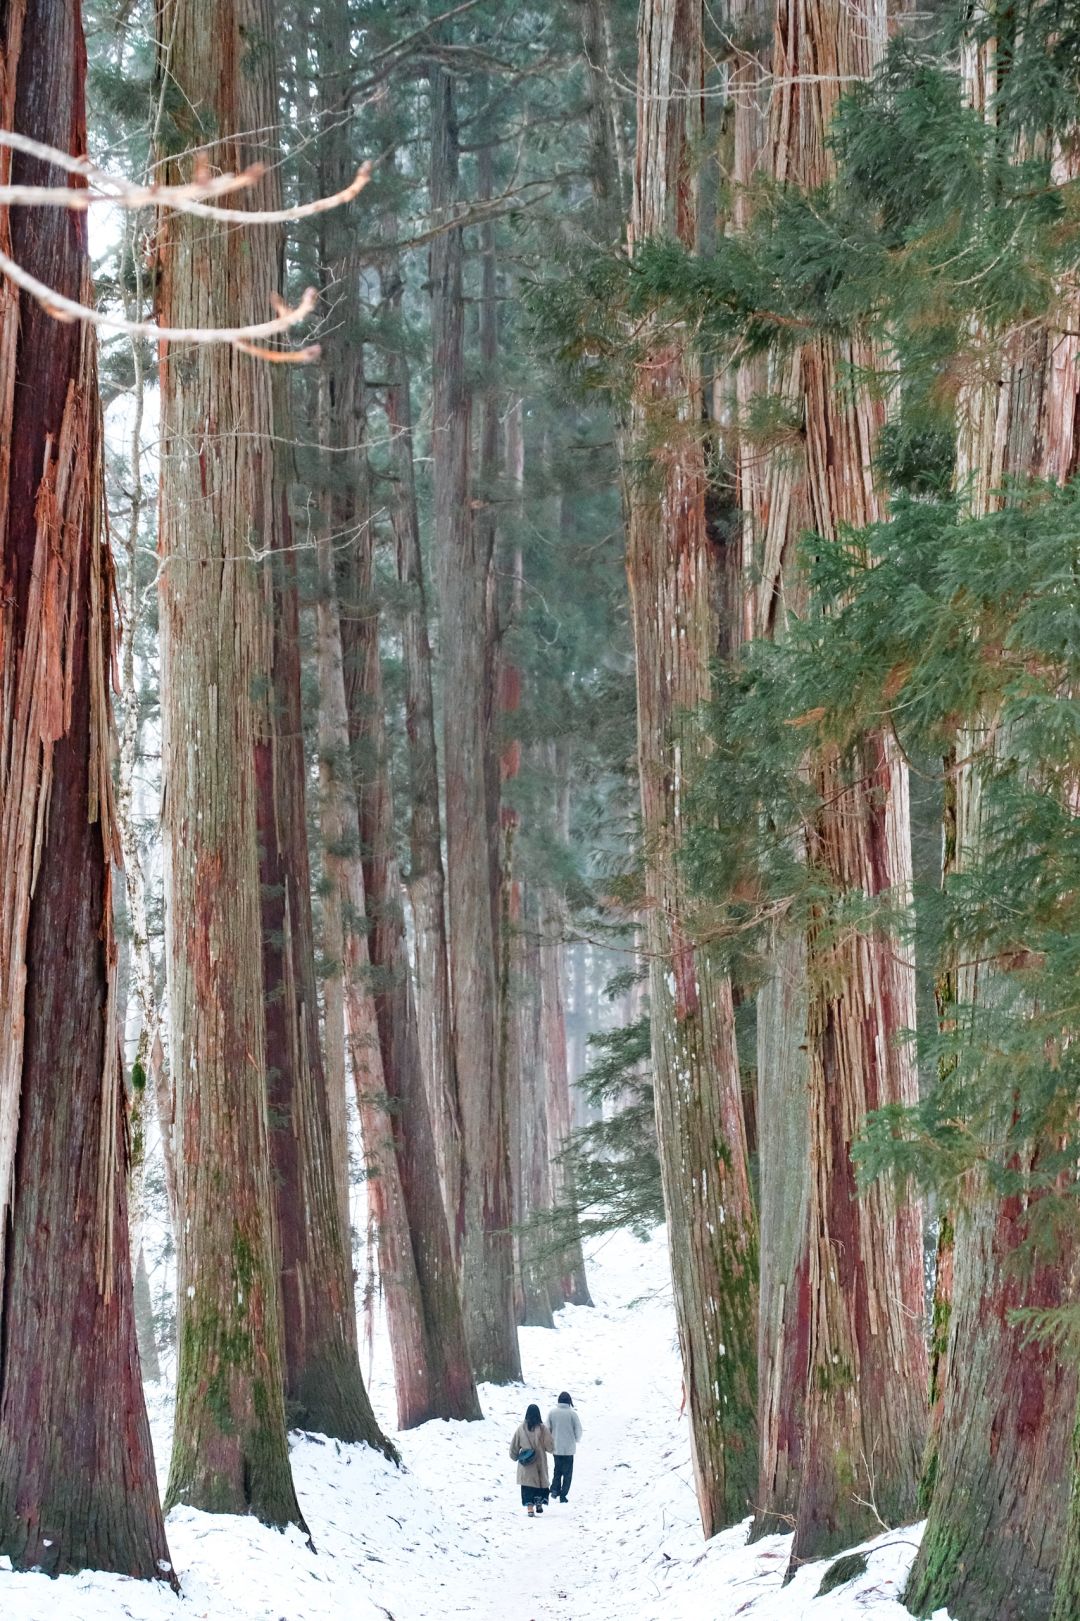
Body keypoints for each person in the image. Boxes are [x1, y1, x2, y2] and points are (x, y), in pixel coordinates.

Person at [509, 1402, 554, 1518]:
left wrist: (514, 1456)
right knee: (540, 1482)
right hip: (539, 1461)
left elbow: (514, 1446)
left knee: (527, 1485)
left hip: (526, 1462)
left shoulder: (520, 1429)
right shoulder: (543, 1429)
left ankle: (530, 1509)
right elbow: (550, 1446)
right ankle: (539, 1502)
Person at [547, 1391, 582, 1504]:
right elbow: (578, 1430)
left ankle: (554, 1489)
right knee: (567, 1473)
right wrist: (576, 1439)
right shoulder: (572, 1414)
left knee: (557, 1469)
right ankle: (563, 1495)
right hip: (569, 1448)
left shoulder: (552, 1413)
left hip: (556, 1447)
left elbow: (547, 1428)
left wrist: (549, 1441)